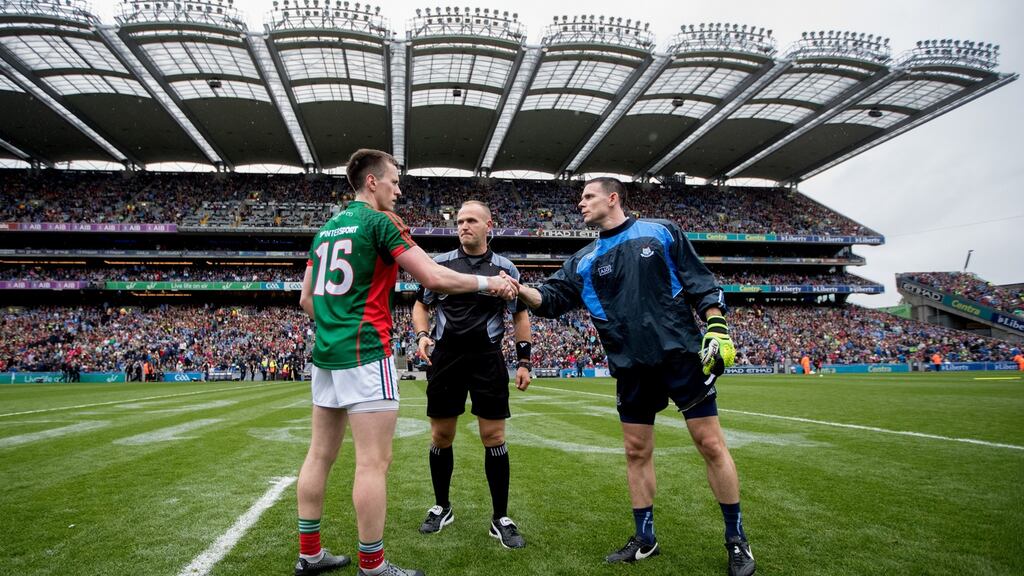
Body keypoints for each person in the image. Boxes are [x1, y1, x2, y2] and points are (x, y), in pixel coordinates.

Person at [508, 177, 756, 576]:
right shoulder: (583, 260)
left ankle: (737, 540)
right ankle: (645, 539)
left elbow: (700, 283)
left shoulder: (662, 232)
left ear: (612, 198)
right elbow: (550, 300)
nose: (580, 203)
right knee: (636, 452)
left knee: (710, 443)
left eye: (588, 196)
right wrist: (519, 289)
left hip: (681, 357)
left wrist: (717, 326)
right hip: (631, 367)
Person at [294, 149, 517, 576]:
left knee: (319, 456)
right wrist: (490, 281)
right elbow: (433, 278)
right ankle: (373, 565)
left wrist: (336, 326)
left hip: (325, 355)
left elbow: (307, 299)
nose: (399, 189)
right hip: (366, 354)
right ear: (372, 182)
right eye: (394, 181)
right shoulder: (380, 223)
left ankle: (310, 553)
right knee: (372, 463)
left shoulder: (325, 231)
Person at [412, 200, 532, 549]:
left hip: (487, 359)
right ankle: (442, 506)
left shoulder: (506, 268)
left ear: (488, 225)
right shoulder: (440, 264)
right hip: (446, 357)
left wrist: (524, 362)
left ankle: (500, 517)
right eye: (460, 221)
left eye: (471, 220)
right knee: (441, 436)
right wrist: (422, 335)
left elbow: (520, 314)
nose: (463, 226)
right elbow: (421, 304)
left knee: (494, 437)